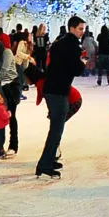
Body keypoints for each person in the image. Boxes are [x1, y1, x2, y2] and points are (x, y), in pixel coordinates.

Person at [38, 16, 86, 179]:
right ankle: (44, 165)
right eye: (80, 28)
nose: (82, 32)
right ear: (72, 28)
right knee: (56, 129)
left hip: (53, 89)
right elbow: (76, 69)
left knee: (56, 128)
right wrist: (83, 63)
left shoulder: (60, 42)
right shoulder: (72, 45)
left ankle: (49, 160)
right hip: (58, 90)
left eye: (83, 28)